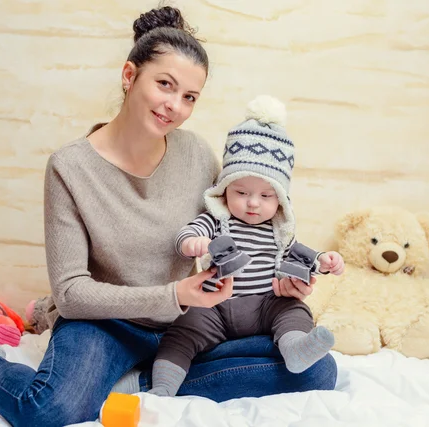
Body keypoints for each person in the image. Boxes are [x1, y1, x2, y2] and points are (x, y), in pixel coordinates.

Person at [0, 6, 337, 426]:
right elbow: (70, 292)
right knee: (47, 409)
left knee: (316, 369)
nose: (174, 106)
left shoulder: (197, 155)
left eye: (189, 97)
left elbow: (247, 227)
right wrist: (175, 295)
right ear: (129, 76)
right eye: (165, 85)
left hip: (184, 327)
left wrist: (283, 281)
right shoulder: (70, 167)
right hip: (105, 326)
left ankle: (135, 385)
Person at [148, 95, 345, 397]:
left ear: (280, 199)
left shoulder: (279, 229)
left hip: (267, 305)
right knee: (183, 330)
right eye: (241, 191)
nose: (253, 203)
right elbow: (186, 235)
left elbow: (301, 256)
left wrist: (324, 262)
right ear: (225, 188)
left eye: (266, 196)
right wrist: (194, 244)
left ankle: (295, 349)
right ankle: (161, 387)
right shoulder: (217, 219)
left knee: (295, 311)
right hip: (215, 306)